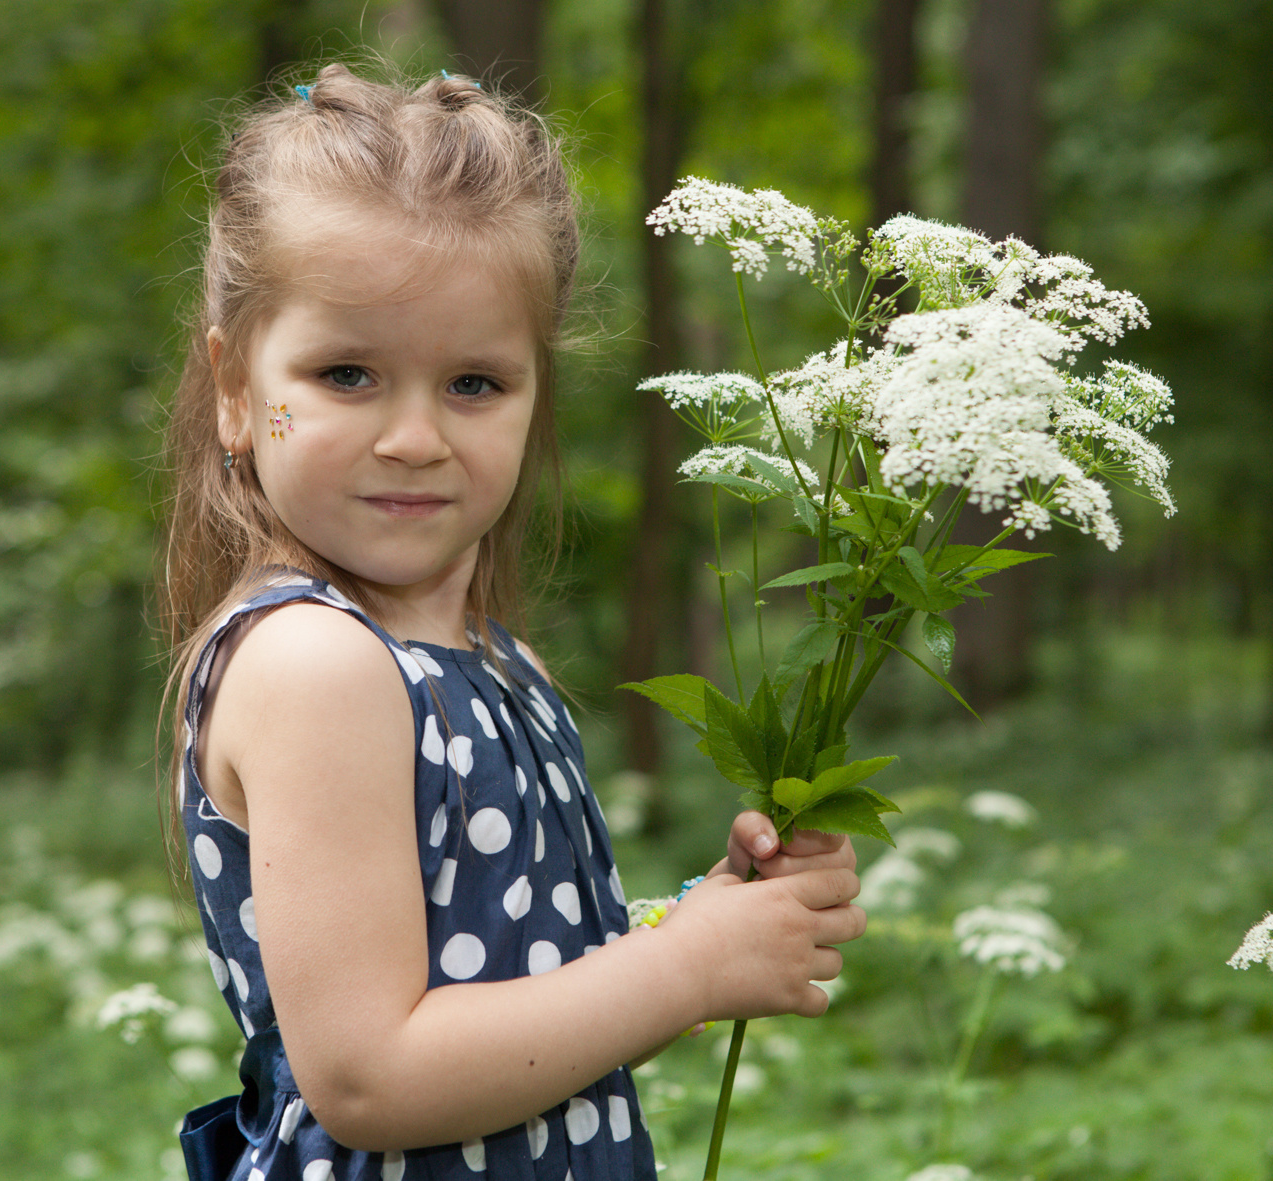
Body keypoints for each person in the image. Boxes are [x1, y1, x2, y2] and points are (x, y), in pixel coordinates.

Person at [156, 61, 866, 1181]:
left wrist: (710, 924)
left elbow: (519, 991)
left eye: (473, 384)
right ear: (237, 390)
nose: (412, 437)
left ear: (537, 391)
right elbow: (369, 1075)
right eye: (347, 374)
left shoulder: (488, 657)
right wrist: (682, 968)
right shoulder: (314, 663)